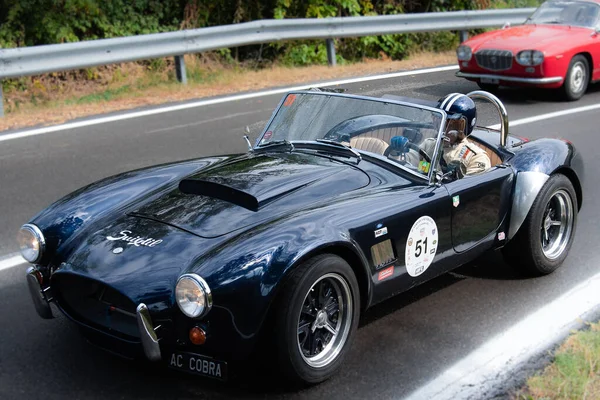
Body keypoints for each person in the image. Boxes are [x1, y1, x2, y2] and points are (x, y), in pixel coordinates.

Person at [421, 93, 491, 177]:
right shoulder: (428, 145)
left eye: (452, 124)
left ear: (464, 126)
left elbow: (471, 187)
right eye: (439, 121)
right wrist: (402, 151)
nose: (444, 128)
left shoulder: (476, 157)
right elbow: (412, 163)